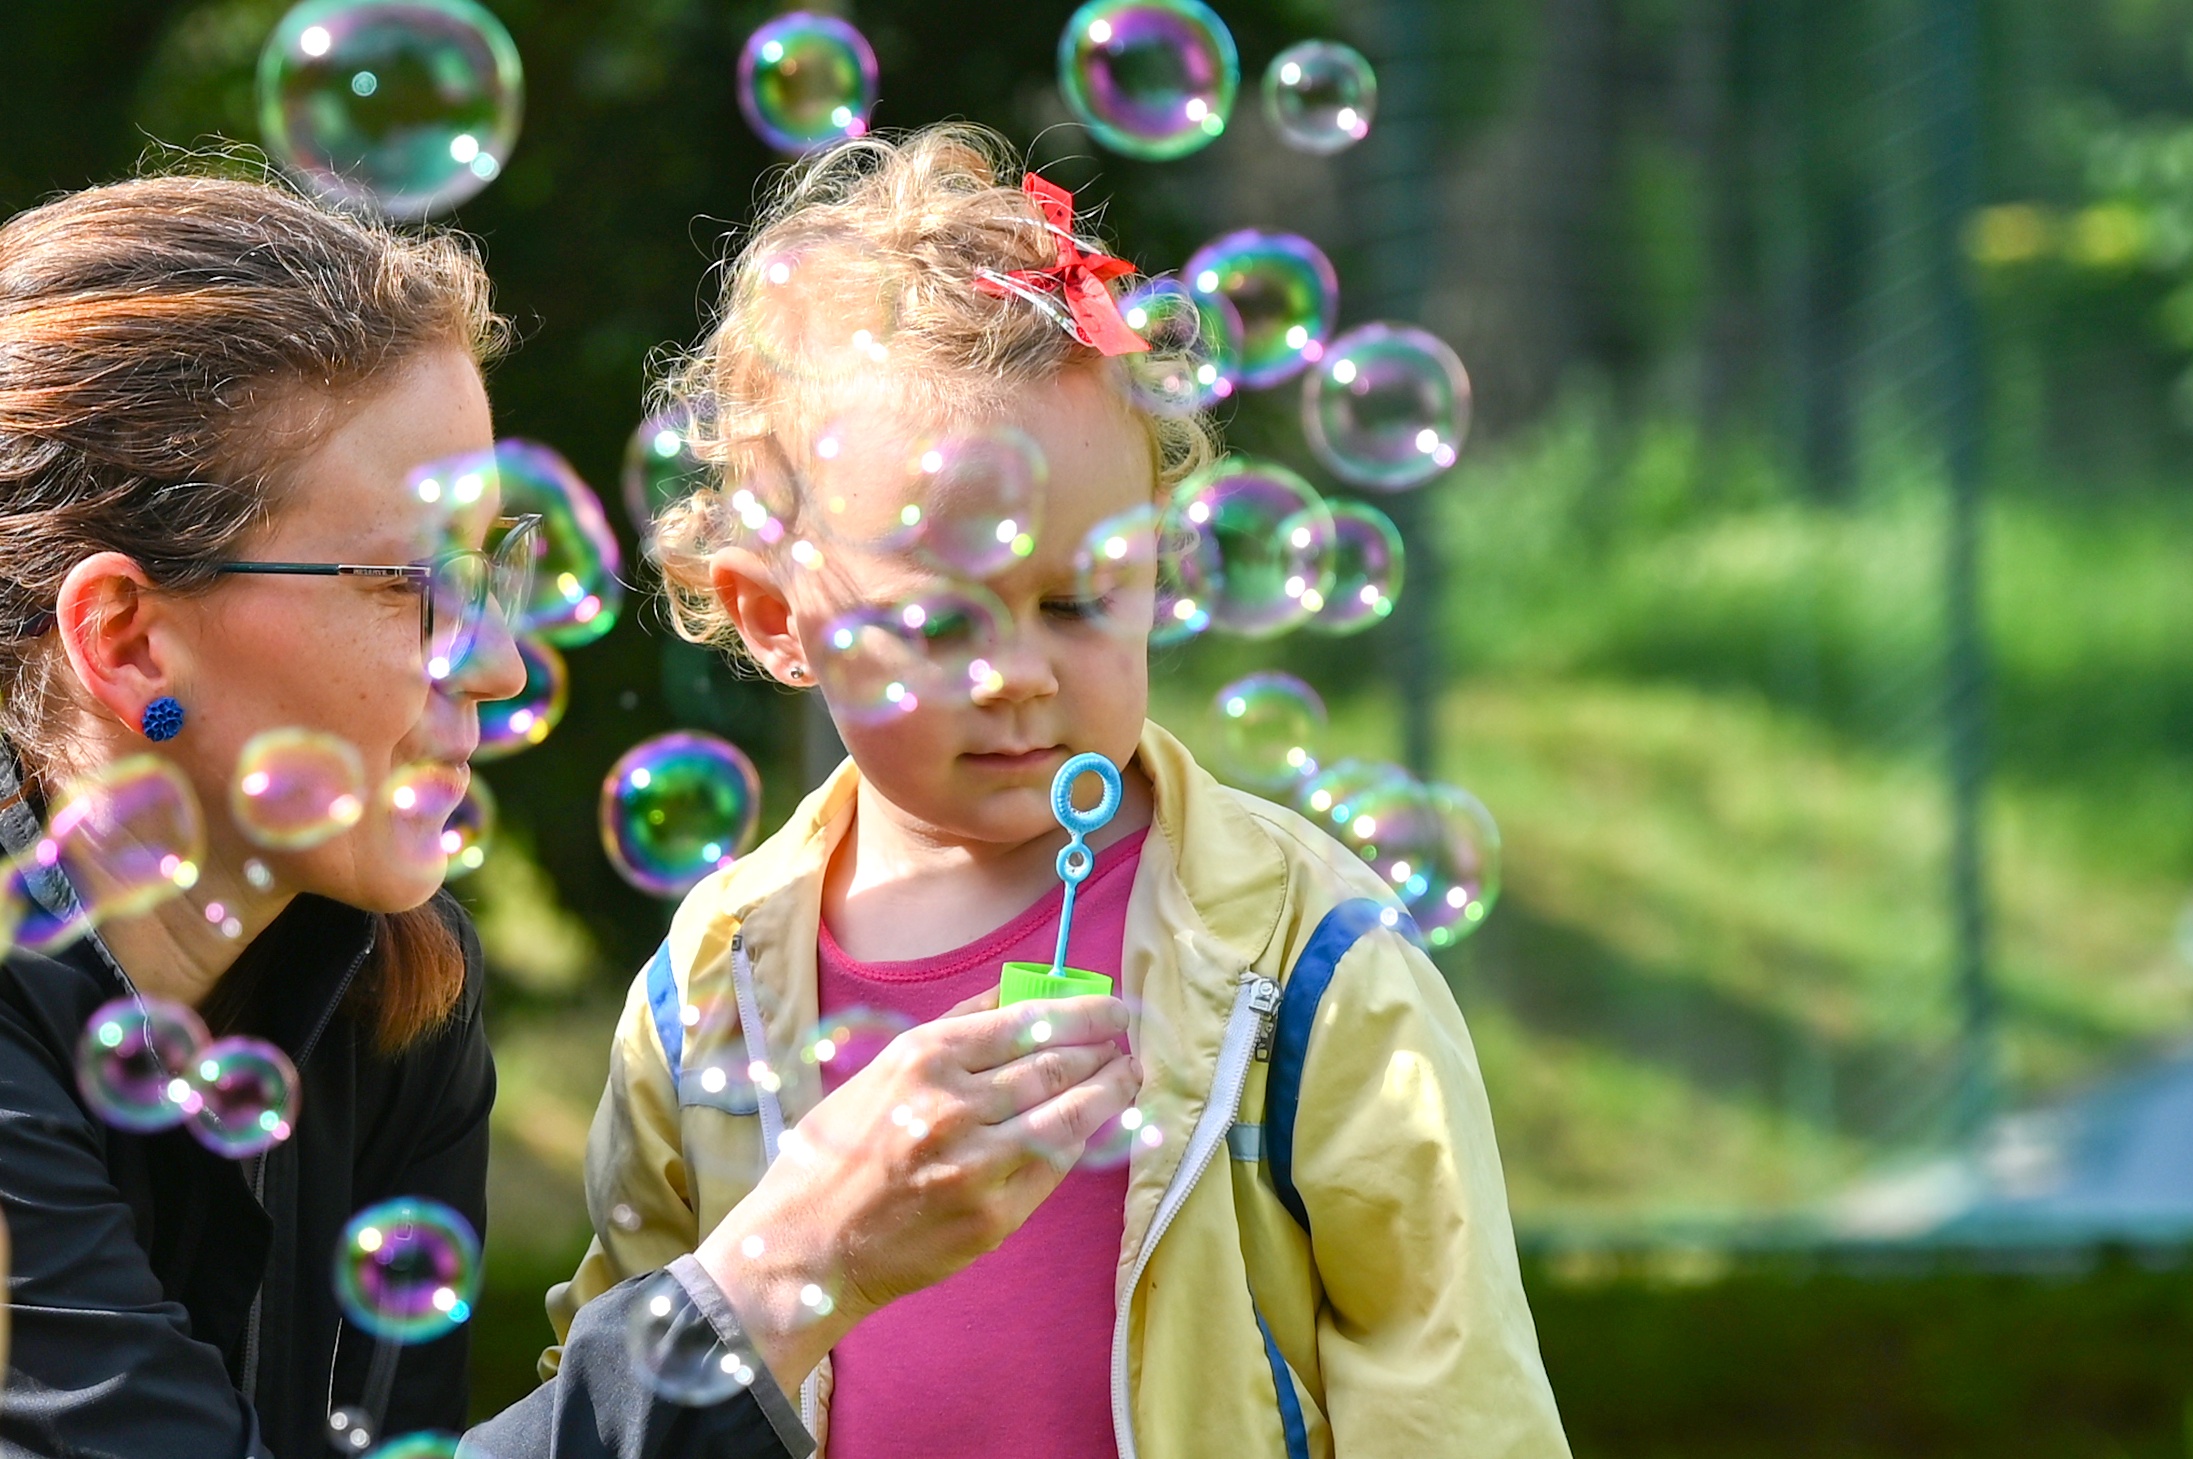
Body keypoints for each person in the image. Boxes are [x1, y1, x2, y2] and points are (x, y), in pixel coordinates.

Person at [0, 168, 1136, 1459]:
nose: (493, 661)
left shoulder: (396, 995)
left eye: (487, 569)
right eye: (411, 586)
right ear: (128, 638)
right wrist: (780, 1274)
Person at [551, 124, 1573, 1459]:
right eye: (938, 623)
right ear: (772, 615)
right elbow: (629, 1371)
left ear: (1160, 563)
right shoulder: (709, 987)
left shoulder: (1298, 954)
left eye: (1081, 600)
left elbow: (1447, 1390)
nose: (1019, 675)